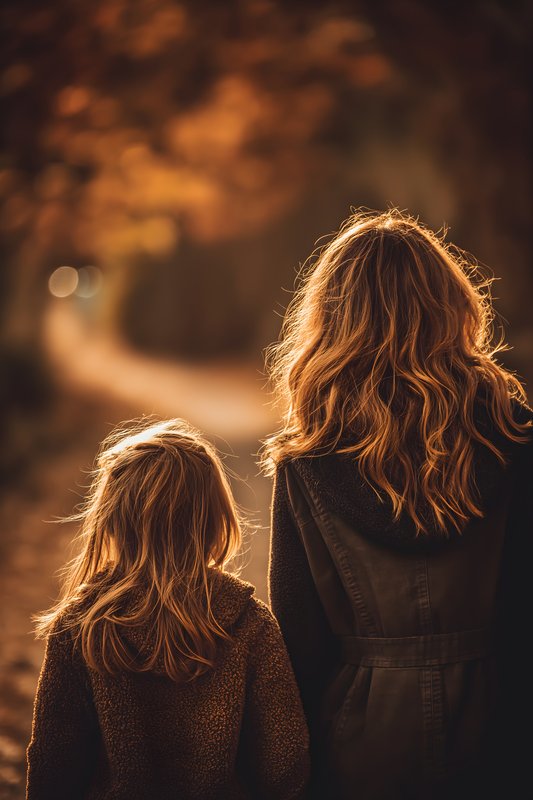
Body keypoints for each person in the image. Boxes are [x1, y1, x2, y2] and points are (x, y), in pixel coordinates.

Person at [263, 209, 532, 799]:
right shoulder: (514, 438)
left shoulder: (305, 460)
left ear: (332, 323)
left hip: (359, 745)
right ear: (452, 307)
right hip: (502, 731)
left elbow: (299, 639)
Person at [27, 418, 309, 800]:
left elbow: (53, 767)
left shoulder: (80, 628)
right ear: (215, 520)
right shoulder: (251, 624)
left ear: (110, 522)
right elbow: (285, 766)